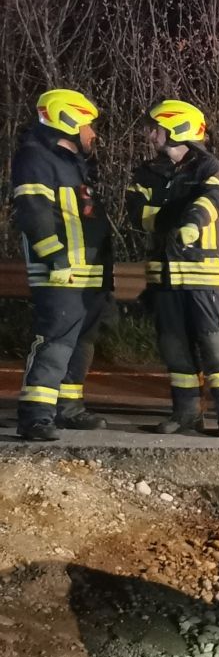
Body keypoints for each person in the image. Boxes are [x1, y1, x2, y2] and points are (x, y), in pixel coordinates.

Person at [130, 100, 219, 436]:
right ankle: (186, 412)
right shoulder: (147, 173)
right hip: (163, 275)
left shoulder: (210, 169)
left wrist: (188, 223)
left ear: (177, 129)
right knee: (174, 347)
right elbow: (137, 214)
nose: (151, 134)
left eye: (157, 127)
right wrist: (176, 216)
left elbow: (211, 204)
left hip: (201, 275)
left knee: (215, 345)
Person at [8, 89, 115, 441]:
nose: (92, 133)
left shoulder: (76, 164)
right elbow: (33, 212)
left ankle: (67, 407)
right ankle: (35, 415)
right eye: (88, 125)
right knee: (55, 341)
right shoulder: (36, 158)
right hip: (61, 270)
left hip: (87, 272)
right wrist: (54, 256)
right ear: (68, 121)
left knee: (81, 341)